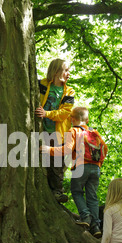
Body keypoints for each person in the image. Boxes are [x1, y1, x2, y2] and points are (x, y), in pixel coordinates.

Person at [41, 106, 107, 238]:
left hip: (81, 167)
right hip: (96, 168)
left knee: (76, 191)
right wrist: (98, 164)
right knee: (92, 196)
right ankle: (95, 226)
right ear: (87, 120)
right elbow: (104, 149)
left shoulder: (73, 131)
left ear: (72, 119)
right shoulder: (95, 133)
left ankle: (85, 216)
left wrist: (48, 149)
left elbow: (66, 150)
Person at [35, 59, 75, 203]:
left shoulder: (69, 91)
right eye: (66, 70)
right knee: (42, 161)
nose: (68, 74)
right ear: (56, 70)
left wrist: (47, 114)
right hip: (40, 130)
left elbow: (65, 113)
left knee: (56, 162)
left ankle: (57, 192)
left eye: (69, 71)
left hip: (57, 133)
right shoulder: (42, 85)